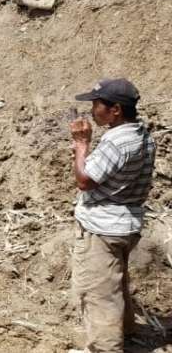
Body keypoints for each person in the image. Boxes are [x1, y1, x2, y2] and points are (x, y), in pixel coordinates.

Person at [69, 78, 155, 353]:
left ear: (115, 109)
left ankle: (106, 347)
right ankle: (126, 331)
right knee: (115, 282)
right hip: (126, 223)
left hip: (103, 227)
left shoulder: (117, 142)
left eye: (97, 105)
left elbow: (85, 180)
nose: (93, 111)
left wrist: (82, 145)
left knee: (99, 293)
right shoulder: (141, 134)